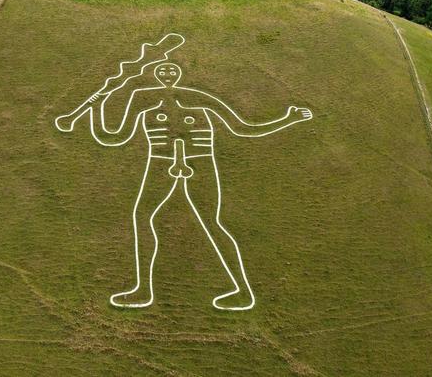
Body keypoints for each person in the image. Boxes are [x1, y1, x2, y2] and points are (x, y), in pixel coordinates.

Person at [80, 62, 312, 310]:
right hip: (160, 160)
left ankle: (243, 291)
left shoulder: (198, 98)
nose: (167, 75)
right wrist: (96, 108)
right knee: (143, 216)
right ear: (156, 74)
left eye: (171, 71)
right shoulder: (142, 98)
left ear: (179, 73)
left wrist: (290, 119)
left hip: (200, 159)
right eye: (163, 71)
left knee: (211, 222)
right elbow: (113, 137)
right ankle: (143, 290)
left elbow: (243, 128)